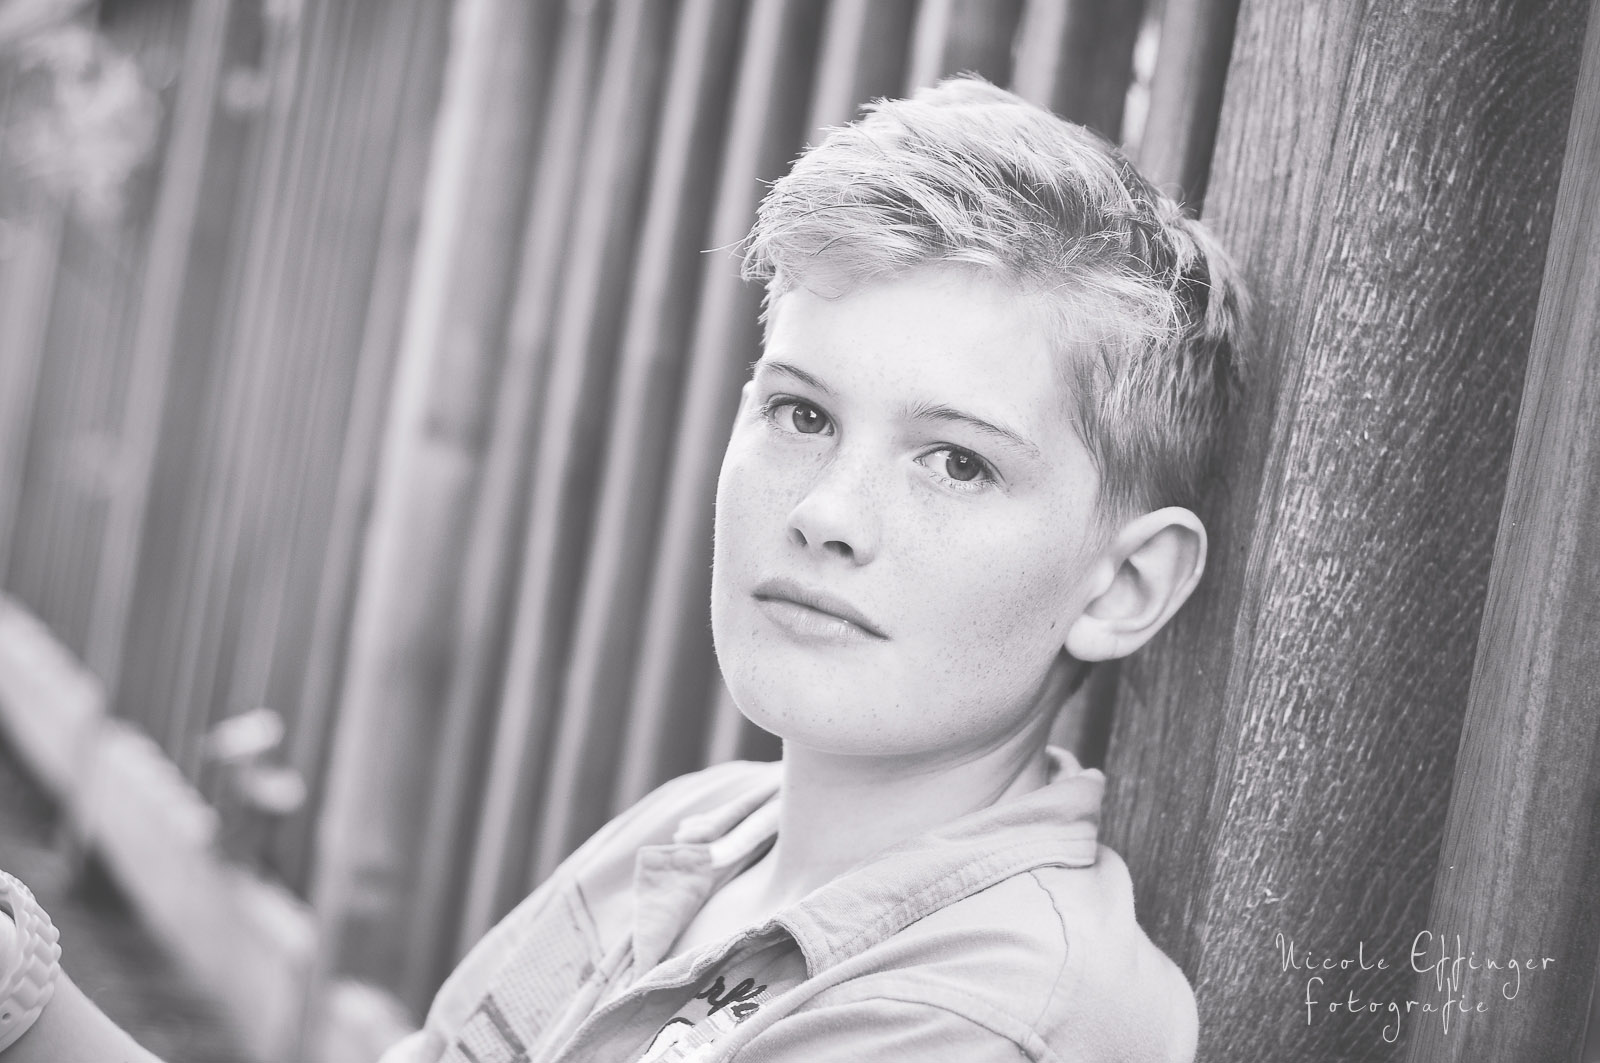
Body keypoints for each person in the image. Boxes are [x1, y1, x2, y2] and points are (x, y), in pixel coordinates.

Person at [0, 76, 1244, 1063]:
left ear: (1122, 587)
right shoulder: (700, 832)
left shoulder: (986, 1017)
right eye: (802, 413)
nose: (825, 513)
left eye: (958, 464)